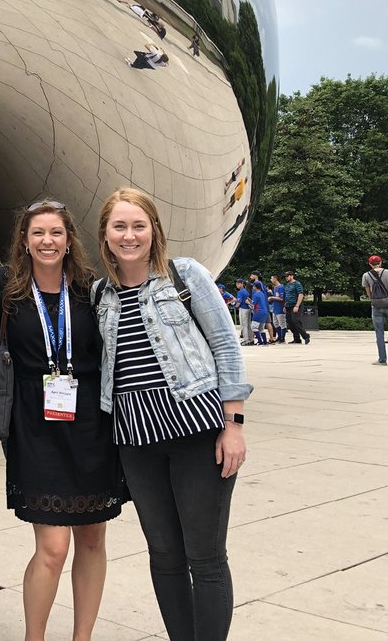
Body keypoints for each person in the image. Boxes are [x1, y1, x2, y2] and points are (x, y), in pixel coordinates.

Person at [94, 188, 250, 641]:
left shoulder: (184, 276)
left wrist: (233, 425)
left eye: (138, 225)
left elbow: (225, 344)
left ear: (154, 230)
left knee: (205, 556)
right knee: (163, 555)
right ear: (105, 235)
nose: (129, 235)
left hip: (197, 434)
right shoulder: (101, 293)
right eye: (119, 226)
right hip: (136, 442)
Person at [0, 199, 124, 641]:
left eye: (56, 233)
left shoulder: (89, 289)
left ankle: (83, 637)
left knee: (94, 539)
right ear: (24, 240)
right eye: (38, 233)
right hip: (33, 427)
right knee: (53, 548)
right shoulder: (2, 287)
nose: (47, 241)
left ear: (68, 240)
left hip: (91, 429)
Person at [362, 255, 388, 365]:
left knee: (379, 334)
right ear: (381, 262)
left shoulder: (366, 275)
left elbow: (368, 292)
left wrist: (374, 299)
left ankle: (382, 360)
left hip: (376, 306)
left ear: (370, 264)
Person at [282, 269, 311, 345]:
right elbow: (287, 296)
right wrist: (285, 305)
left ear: (292, 276)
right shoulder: (287, 285)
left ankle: (306, 336)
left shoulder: (297, 284)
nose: (286, 278)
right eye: (285, 277)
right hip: (288, 306)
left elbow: (300, 294)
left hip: (295, 305)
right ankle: (297, 339)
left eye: (287, 276)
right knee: (290, 323)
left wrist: (297, 305)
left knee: (296, 321)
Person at [250, 281, 271, 345]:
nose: (253, 287)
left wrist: (249, 302)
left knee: (253, 327)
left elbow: (253, 304)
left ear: (256, 287)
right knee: (261, 328)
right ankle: (265, 341)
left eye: (253, 286)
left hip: (258, 311)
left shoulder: (255, 294)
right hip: (264, 312)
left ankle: (260, 341)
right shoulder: (262, 293)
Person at [267, 276, 287, 343]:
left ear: (275, 279)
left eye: (271, 278)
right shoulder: (275, 288)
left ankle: (282, 338)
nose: (271, 280)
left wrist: (272, 297)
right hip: (274, 308)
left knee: (282, 323)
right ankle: (279, 336)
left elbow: (281, 298)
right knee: (275, 324)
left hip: (280, 308)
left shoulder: (281, 287)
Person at [233, 279, 253, 345]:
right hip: (248, 309)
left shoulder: (240, 292)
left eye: (238, 283)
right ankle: (251, 339)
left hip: (243, 309)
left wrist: (235, 307)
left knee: (244, 325)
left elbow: (239, 302)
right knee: (248, 325)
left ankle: (246, 340)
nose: (237, 285)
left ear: (242, 284)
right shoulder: (246, 291)